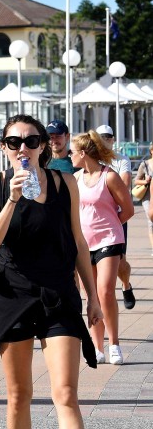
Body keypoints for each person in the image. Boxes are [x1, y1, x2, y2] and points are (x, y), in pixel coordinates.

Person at [0, 115, 112, 429]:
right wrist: (13, 199)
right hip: (13, 294)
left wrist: (93, 296)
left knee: (66, 392)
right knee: (19, 394)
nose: (24, 148)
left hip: (57, 293)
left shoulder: (63, 181)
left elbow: (78, 240)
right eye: (15, 142)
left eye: (32, 141)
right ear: (3, 146)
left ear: (43, 145)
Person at [71, 130, 133, 365]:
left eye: (73, 152)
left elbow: (127, 209)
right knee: (91, 295)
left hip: (109, 239)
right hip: (84, 243)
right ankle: (97, 347)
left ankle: (114, 343)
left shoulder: (110, 177)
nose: (70, 156)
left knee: (106, 291)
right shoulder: (76, 179)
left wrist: (111, 225)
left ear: (83, 153)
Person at [95, 125, 135, 311]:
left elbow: (125, 183)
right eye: (101, 137)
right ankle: (99, 300)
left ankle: (126, 284)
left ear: (113, 139)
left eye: (108, 137)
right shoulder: (91, 159)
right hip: (93, 218)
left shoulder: (121, 160)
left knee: (119, 261)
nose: (105, 140)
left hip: (115, 214)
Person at [134, 141, 153, 254]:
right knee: (151, 222)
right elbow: (136, 180)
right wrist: (145, 181)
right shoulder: (145, 164)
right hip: (147, 197)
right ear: (151, 151)